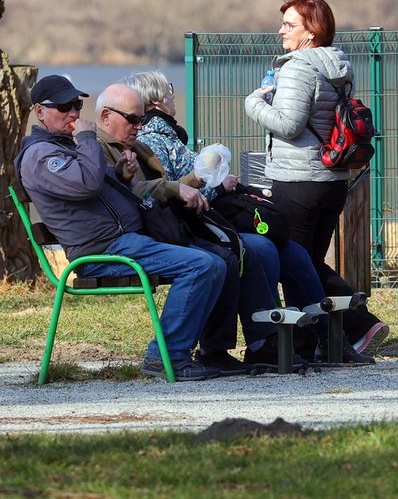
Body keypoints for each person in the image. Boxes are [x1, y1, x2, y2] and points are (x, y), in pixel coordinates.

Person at [123, 69, 373, 364]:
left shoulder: (171, 137)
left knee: (294, 253)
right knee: (261, 249)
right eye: (168, 90)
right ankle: (262, 343)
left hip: (213, 220)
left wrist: (216, 180)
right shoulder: (152, 142)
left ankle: (327, 338)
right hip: (195, 227)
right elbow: (175, 196)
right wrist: (216, 183)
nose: (173, 95)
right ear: (155, 101)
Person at [14, 75, 226, 381]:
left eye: (76, 104)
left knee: (217, 262)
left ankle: (193, 352)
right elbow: (85, 184)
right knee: (201, 266)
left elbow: (95, 186)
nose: (73, 113)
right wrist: (88, 139)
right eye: (64, 106)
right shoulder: (40, 155)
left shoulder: (61, 147)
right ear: (39, 111)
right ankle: (165, 357)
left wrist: (121, 175)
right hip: (103, 252)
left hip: (124, 242)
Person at [94, 82, 298, 374]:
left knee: (232, 253)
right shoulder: (97, 150)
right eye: (133, 119)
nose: (139, 126)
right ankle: (171, 354)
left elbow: (156, 189)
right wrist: (179, 187)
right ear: (105, 117)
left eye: (141, 119)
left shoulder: (135, 147)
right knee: (215, 259)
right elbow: (132, 192)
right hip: (139, 236)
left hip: (161, 227)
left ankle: (230, 348)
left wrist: (200, 178)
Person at [244, 0, 389, 357]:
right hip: (332, 181)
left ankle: (351, 327)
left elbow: (290, 125)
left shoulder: (297, 68)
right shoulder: (338, 65)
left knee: (297, 264)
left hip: (298, 181)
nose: (281, 30)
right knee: (307, 261)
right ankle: (325, 340)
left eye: (290, 25)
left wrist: (254, 103)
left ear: (311, 30)